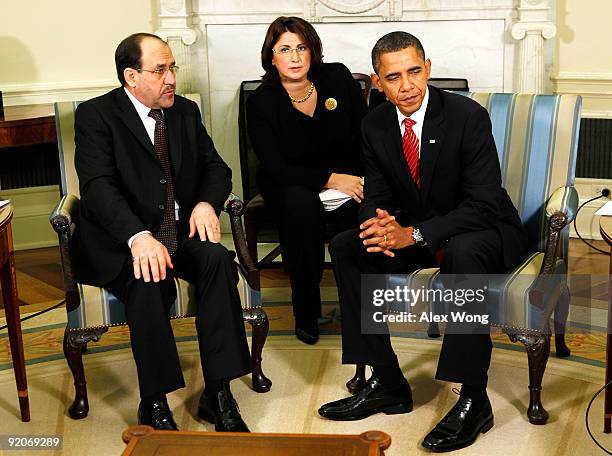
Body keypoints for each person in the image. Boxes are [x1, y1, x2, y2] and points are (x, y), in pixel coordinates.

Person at [317, 32, 528, 452]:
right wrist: (377, 225)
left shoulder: (467, 116)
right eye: (393, 77)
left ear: (428, 68)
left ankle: (472, 396)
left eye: (414, 72)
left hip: (482, 230)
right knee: (347, 246)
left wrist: (412, 233)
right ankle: (387, 382)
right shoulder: (375, 124)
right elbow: (375, 194)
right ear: (378, 82)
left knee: (465, 251)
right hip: (421, 230)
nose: (407, 85)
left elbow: (484, 201)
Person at [72, 33, 251, 432]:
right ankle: (154, 401)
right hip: (123, 241)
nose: (171, 78)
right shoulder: (96, 115)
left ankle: (217, 392)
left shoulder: (185, 112)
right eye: (160, 70)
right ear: (131, 76)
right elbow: (97, 188)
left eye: (173, 68)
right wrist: (138, 237)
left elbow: (217, 169)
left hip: (177, 231)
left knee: (219, 262)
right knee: (147, 278)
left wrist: (206, 203)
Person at [246, 16, 368, 345]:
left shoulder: (337, 78)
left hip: (345, 177)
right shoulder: (260, 101)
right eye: (285, 49)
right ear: (271, 56)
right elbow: (275, 166)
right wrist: (331, 179)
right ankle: (306, 311)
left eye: (302, 47)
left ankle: (359, 307)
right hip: (288, 181)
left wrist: (356, 179)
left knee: (363, 209)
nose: (296, 57)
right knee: (301, 209)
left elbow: (364, 135)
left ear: (313, 51)